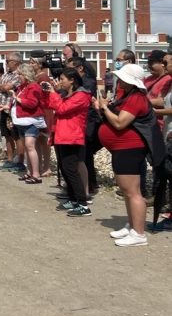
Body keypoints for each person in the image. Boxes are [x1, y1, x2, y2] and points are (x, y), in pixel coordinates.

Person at [96, 64, 159, 246]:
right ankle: (132, 225)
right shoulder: (128, 96)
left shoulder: (136, 98)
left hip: (129, 148)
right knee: (127, 191)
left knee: (133, 192)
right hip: (123, 148)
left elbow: (119, 123)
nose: (119, 81)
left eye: (122, 78)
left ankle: (139, 234)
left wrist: (104, 108)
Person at [44, 68, 93, 217]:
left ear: (72, 80)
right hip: (62, 134)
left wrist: (53, 93)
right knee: (65, 168)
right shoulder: (67, 94)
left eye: (63, 79)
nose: (60, 82)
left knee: (71, 169)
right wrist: (51, 92)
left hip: (72, 136)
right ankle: (73, 199)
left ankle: (83, 203)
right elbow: (53, 106)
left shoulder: (82, 95)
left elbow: (62, 109)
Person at [10, 63, 46, 184]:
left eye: (20, 74)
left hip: (31, 121)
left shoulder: (33, 86)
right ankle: (30, 171)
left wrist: (17, 98)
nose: (18, 76)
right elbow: (16, 102)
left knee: (30, 146)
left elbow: (32, 103)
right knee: (27, 147)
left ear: (26, 74)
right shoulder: (22, 87)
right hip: (22, 121)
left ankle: (36, 174)